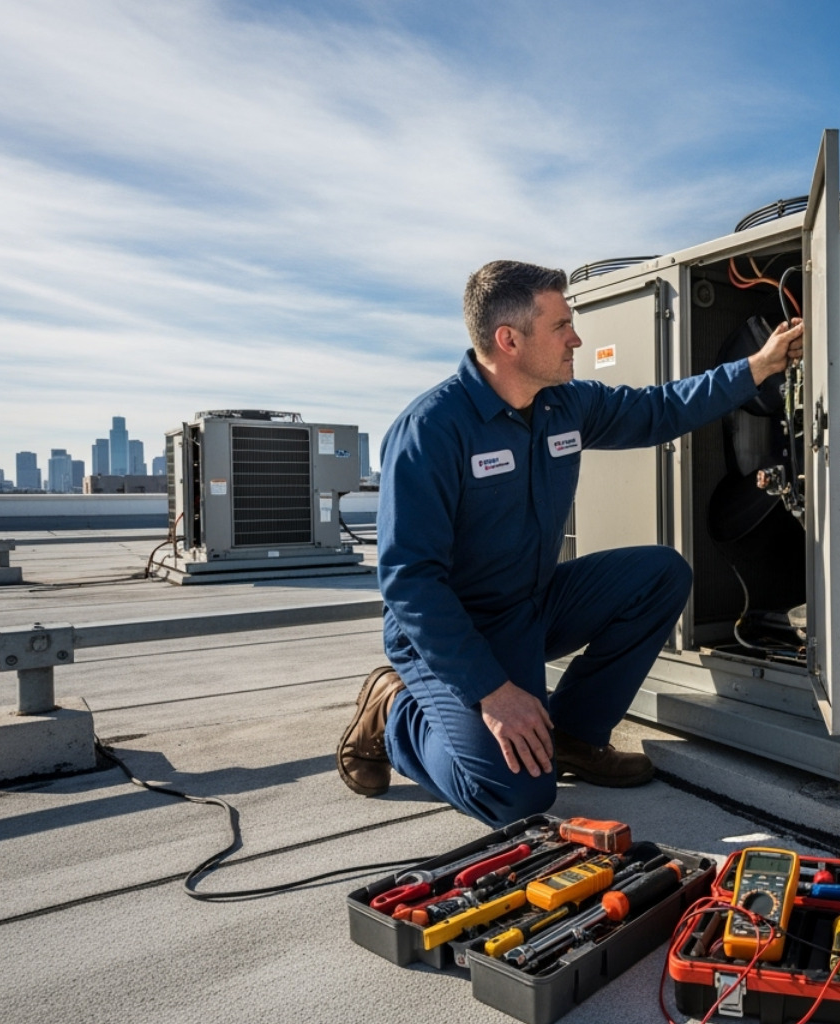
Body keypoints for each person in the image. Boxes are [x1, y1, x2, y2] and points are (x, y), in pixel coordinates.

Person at [337, 259, 804, 826]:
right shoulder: (433, 430)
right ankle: (392, 715)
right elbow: (410, 582)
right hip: (456, 632)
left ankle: (577, 736)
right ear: (508, 340)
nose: (576, 337)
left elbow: (658, 410)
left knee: (661, 575)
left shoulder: (564, 405)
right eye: (561, 326)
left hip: (532, 604)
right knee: (516, 797)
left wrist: (755, 369)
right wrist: (493, 691)